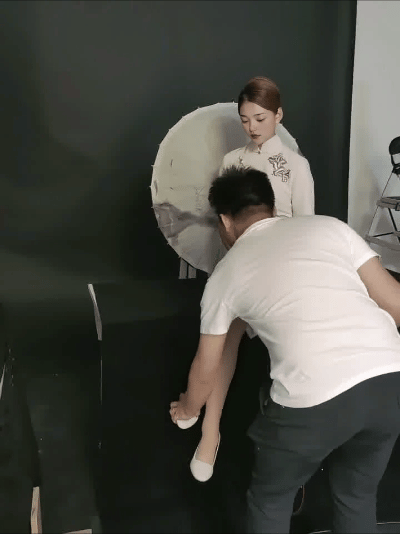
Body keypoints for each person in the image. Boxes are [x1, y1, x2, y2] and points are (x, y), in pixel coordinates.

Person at [170, 166, 400, 533]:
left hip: (313, 400)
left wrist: (187, 407)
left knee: (270, 500)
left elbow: (206, 367)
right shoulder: (330, 228)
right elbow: (396, 304)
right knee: (356, 496)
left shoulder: (226, 274)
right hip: (389, 380)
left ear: (225, 221)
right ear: (272, 208)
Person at [173, 76, 316, 484]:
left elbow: (305, 228)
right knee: (223, 339)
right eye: (245, 119)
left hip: (281, 269)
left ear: (278, 115)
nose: (252, 127)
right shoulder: (232, 161)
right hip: (238, 263)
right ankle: (210, 432)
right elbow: (223, 225)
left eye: (260, 118)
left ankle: (290, 454)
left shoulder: (296, 166)